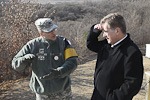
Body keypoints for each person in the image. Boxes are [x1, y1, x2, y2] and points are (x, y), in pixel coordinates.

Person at [12, 18, 78, 100]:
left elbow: (73, 61)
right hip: (42, 93)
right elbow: (15, 64)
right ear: (41, 33)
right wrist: (24, 60)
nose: (54, 33)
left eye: (54, 29)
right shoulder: (32, 45)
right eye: (49, 31)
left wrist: (59, 71)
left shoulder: (64, 42)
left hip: (63, 91)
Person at [86, 13, 143, 100]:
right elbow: (91, 44)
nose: (104, 35)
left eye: (105, 31)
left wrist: (112, 97)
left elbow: (132, 84)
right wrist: (95, 31)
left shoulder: (132, 52)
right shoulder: (106, 45)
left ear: (117, 31)